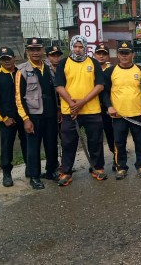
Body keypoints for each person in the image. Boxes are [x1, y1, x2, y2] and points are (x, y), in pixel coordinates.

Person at [54, 35, 106, 187]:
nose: (78, 49)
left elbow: (100, 85)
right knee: (68, 142)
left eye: (80, 46)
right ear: (71, 47)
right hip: (70, 111)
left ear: (85, 47)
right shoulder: (64, 63)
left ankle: (97, 167)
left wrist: (82, 101)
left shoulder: (93, 63)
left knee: (95, 141)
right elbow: (59, 86)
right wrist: (72, 103)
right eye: (75, 46)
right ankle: (66, 172)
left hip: (92, 110)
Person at [15, 38, 59, 189]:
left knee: (52, 143)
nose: (35, 52)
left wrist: (58, 110)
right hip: (33, 115)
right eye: (31, 50)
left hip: (51, 113)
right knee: (33, 147)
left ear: (42, 51)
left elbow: (55, 92)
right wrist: (26, 119)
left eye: (38, 49)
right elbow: (18, 98)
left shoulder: (48, 67)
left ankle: (51, 170)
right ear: (27, 51)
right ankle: (34, 176)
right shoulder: (21, 71)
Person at [103, 41, 141, 179]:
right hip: (119, 115)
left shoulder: (140, 70)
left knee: (140, 143)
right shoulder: (110, 71)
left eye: (127, 53)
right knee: (119, 143)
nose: (124, 56)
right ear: (117, 54)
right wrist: (109, 106)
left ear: (132, 54)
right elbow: (104, 92)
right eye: (121, 53)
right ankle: (121, 167)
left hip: (137, 114)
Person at [0, 47, 27, 187]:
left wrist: (27, 116)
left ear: (14, 58)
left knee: (27, 142)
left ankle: (30, 168)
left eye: (8, 58)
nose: (7, 61)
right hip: (7, 119)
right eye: (3, 59)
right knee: (7, 145)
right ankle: (7, 173)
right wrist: (4, 118)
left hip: (23, 116)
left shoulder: (20, 73)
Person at [94, 43, 116, 170]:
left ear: (108, 56)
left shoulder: (112, 70)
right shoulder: (90, 69)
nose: (101, 56)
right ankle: (97, 163)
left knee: (112, 135)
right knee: (95, 138)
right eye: (99, 53)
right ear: (95, 54)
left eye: (104, 54)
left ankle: (116, 158)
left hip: (108, 108)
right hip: (93, 108)